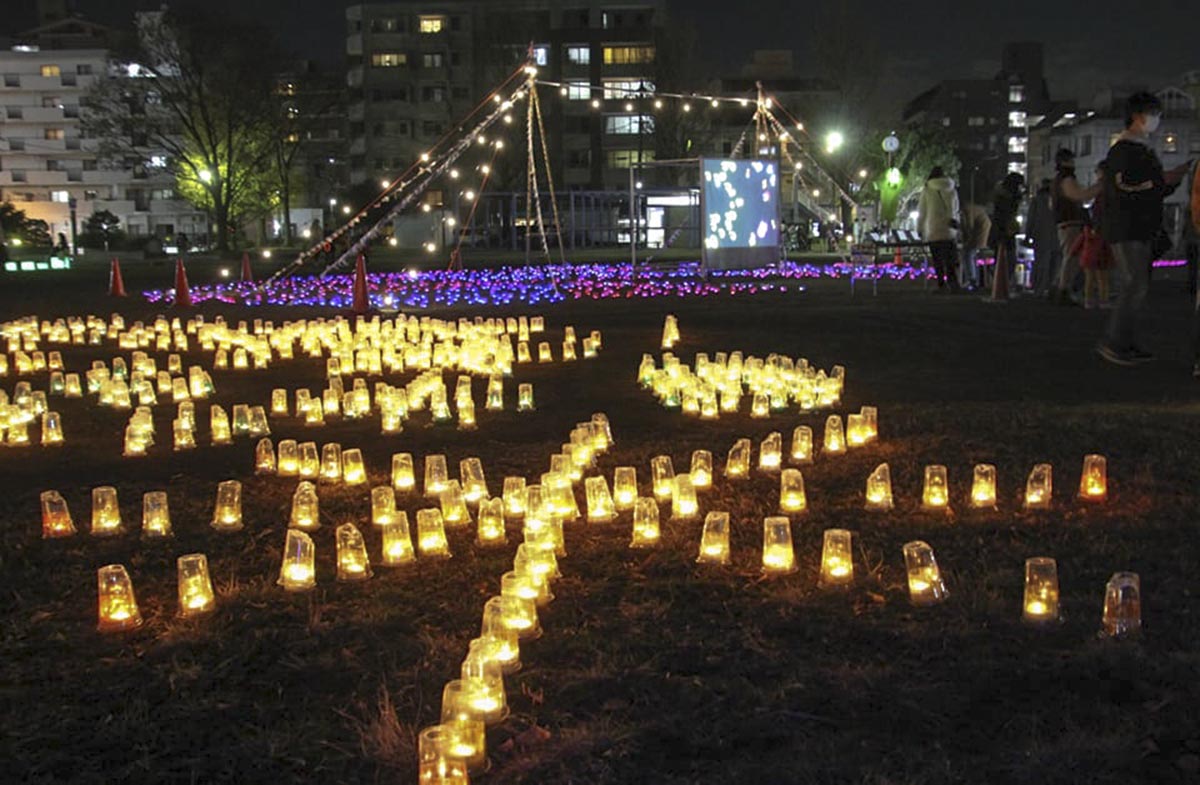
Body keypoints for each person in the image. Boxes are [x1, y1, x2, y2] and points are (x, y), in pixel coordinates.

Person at [1096, 92, 1191, 365]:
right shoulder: (1126, 149)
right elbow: (1126, 186)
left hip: (1138, 225)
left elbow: (1145, 187)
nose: (1157, 121)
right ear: (1139, 116)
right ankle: (1115, 341)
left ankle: (1125, 341)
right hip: (1128, 227)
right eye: (1155, 115)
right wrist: (1160, 182)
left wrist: (1165, 182)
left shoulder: (1139, 148)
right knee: (1133, 284)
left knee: (1138, 285)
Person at [1051, 149, 1101, 304]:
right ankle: (1063, 290)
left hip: (1064, 222)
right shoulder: (1066, 179)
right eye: (1071, 160)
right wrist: (1099, 187)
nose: (1074, 163)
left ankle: (1060, 288)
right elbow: (1080, 195)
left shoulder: (1058, 180)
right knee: (1071, 257)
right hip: (1070, 222)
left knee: (1070, 256)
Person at [1069, 163, 1113, 309]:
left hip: (1093, 244)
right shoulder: (1110, 191)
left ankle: (1089, 300)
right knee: (1102, 275)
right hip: (1103, 240)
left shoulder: (1101, 191)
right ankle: (1103, 300)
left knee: (1091, 276)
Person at [917, 166, 961, 291]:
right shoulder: (951, 188)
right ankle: (954, 284)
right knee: (950, 259)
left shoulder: (927, 189)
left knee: (938, 260)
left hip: (933, 229)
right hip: (949, 230)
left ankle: (941, 284)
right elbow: (956, 209)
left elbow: (922, 211)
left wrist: (920, 229)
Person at [989, 172, 1024, 300]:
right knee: (1008, 258)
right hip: (1005, 230)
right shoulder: (1008, 198)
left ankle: (1002, 283)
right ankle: (1004, 284)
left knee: (1003, 257)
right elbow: (1007, 214)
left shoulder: (1000, 196)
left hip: (1002, 230)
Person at [1025, 178, 1059, 296]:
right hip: (1057, 237)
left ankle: (1038, 289)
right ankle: (1052, 289)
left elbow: (1030, 220)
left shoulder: (1037, 201)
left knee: (1041, 263)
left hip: (1040, 237)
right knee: (1055, 265)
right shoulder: (1058, 200)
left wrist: (1027, 236)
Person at [959, 203, 991, 289]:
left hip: (981, 229)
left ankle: (971, 279)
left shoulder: (967, 211)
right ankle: (974, 279)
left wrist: (967, 241)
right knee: (970, 254)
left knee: (967, 253)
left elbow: (969, 226)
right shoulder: (969, 210)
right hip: (982, 227)